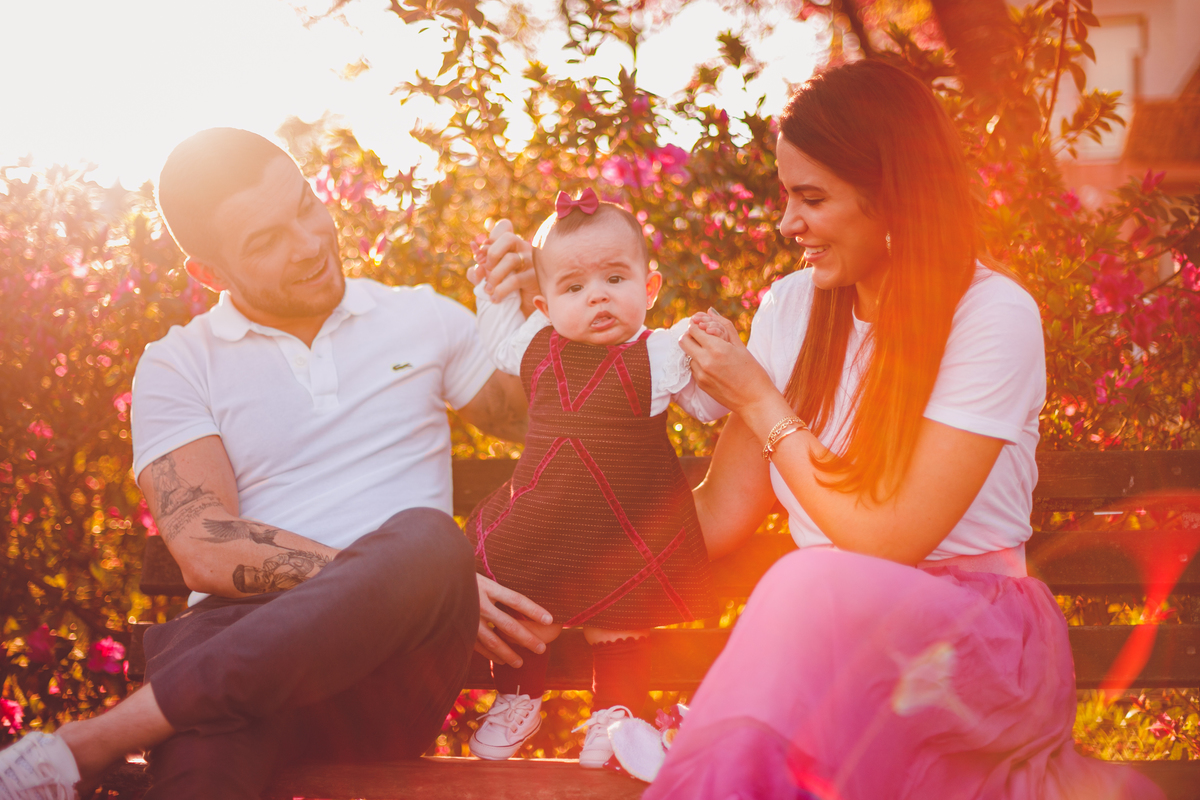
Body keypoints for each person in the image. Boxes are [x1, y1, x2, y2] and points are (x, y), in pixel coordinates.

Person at [638, 61, 1166, 798]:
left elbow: (893, 541)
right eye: (787, 195)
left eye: (811, 198)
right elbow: (720, 512)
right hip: (829, 652)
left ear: (891, 195)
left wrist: (760, 401)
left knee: (807, 582)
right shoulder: (793, 308)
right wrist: (546, 570)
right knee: (808, 594)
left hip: (973, 649)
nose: (788, 224)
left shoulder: (993, 316)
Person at [0, 128, 549, 800]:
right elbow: (204, 543)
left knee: (430, 545)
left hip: (385, 673)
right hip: (233, 648)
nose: (310, 243)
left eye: (305, 205)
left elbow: (528, 421)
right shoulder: (180, 363)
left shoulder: (423, 321)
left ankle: (90, 742)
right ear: (210, 274)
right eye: (266, 241)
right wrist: (382, 580)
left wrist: (532, 315)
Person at [462, 189, 723, 766]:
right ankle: (516, 699)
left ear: (649, 288)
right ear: (546, 305)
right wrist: (489, 284)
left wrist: (714, 353)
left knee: (619, 620)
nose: (597, 296)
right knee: (523, 604)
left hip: (621, 527)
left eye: (614, 278)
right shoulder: (535, 344)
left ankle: (616, 715)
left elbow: (709, 409)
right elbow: (495, 330)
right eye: (574, 288)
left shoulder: (660, 354)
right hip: (543, 520)